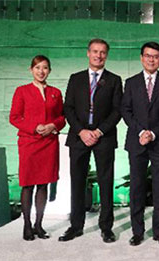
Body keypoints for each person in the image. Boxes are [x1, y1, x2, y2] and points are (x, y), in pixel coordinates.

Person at [60, 39, 123, 243]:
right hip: (79, 137)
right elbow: (68, 108)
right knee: (77, 182)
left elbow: (117, 111)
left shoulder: (114, 80)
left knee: (106, 182)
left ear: (107, 55)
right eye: (95, 51)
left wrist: (98, 131)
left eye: (103, 52)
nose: (99, 55)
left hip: (103, 137)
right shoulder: (75, 78)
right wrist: (81, 131)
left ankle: (106, 227)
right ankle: (76, 226)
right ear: (88, 53)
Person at [121, 42, 159, 246]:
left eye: (155, 56)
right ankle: (137, 232)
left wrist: (152, 133)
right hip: (136, 141)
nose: (151, 59)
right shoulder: (131, 82)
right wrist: (141, 131)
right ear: (141, 58)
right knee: (136, 187)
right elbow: (126, 110)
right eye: (147, 55)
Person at [10, 55, 66, 241]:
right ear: (31, 70)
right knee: (28, 184)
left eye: (45, 68)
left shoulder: (55, 92)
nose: (41, 71)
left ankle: (39, 225)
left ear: (49, 70)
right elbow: (15, 117)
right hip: (29, 142)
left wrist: (53, 126)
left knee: (43, 184)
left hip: (48, 142)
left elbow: (61, 118)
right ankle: (26, 224)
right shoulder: (22, 91)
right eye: (37, 68)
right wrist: (34, 127)